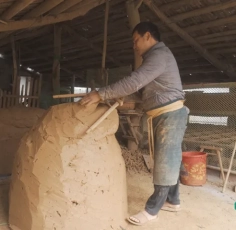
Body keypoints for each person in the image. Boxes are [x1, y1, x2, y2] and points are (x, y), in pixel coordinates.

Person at [79, 21, 189, 226]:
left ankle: (152, 210)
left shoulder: (159, 56)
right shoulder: (154, 58)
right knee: (167, 159)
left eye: (136, 40)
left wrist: (100, 94)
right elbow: (140, 90)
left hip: (170, 114)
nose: (134, 45)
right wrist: (117, 98)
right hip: (162, 114)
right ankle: (173, 201)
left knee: (165, 161)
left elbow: (134, 81)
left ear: (148, 36)